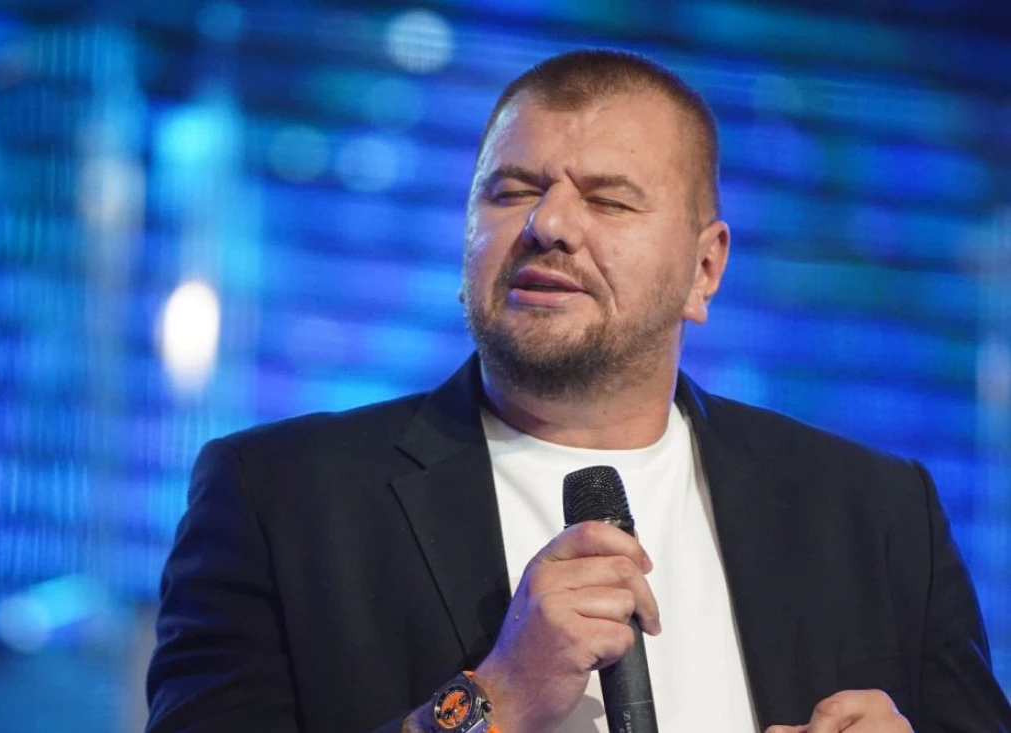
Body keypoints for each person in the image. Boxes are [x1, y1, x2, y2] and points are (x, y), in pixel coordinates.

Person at [145, 49, 1011, 733]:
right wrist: (493, 700)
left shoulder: (877, 515)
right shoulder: (279, 499)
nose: (548, 223)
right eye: (511, 190)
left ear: (704, 269)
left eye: (609, 200)